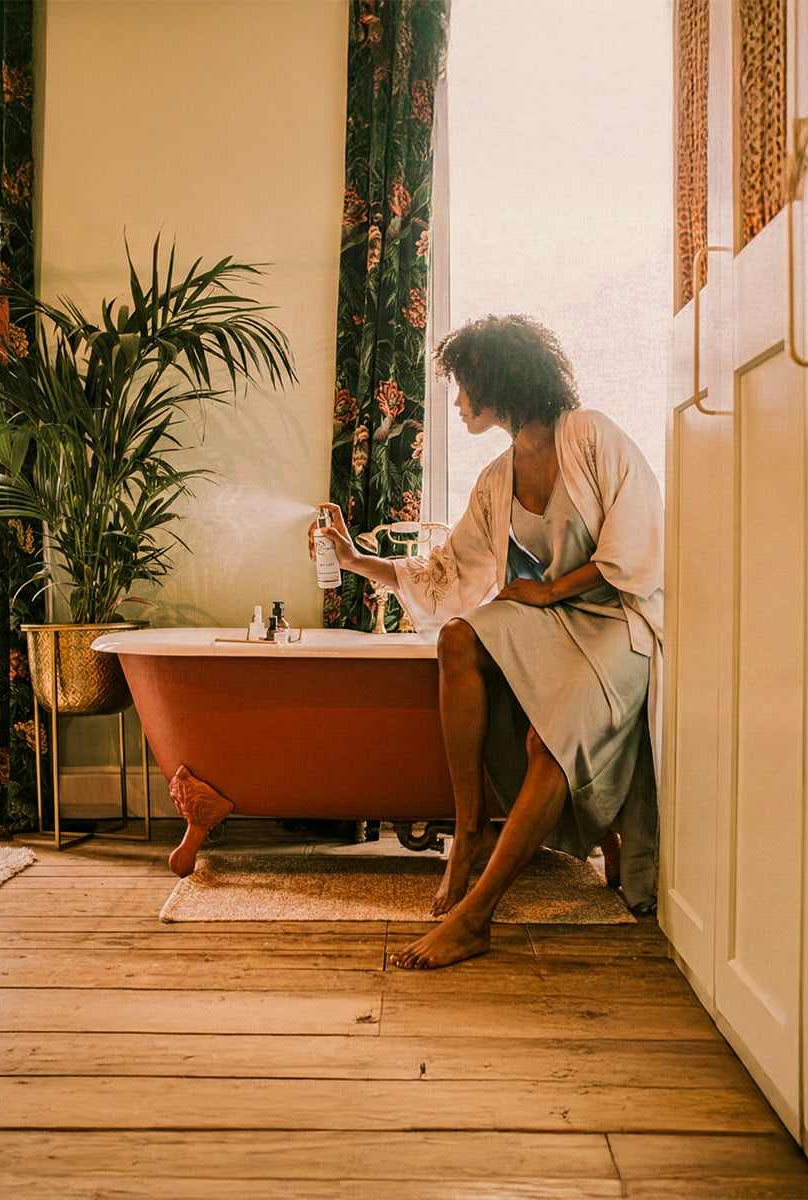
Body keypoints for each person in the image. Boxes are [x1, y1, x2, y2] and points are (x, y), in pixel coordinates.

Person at [311, 314, 664, 969]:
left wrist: (550, 592)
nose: (457, 400)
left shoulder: (590, 434)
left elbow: (638, 546)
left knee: (547, 738)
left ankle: (477, 918)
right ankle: (469, 829)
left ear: (498, 381)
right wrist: (355, 559)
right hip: (554, 621)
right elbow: (447, 576)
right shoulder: (497, 479)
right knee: (459, 639)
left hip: (620, 622)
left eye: (463, 385)